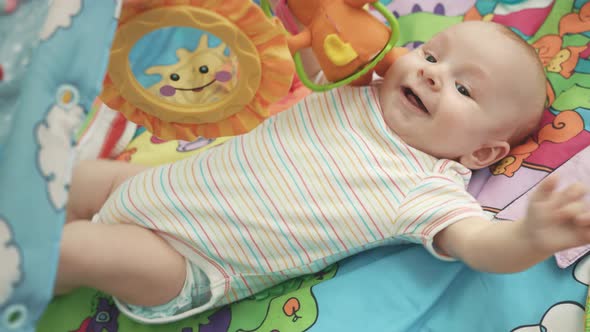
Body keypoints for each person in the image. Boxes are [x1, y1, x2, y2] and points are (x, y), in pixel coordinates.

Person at [54, 21, 590, 323]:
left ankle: (21, 271)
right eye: (432, 53)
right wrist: (333, 27)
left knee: (73, 246)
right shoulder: (361, 88)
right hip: (155, 188)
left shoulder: (426, 187)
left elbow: (480, 244)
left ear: (480, 154)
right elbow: (312, 54)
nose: (431, 73)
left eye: (464, 88)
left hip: (185, 259)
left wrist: (530, 236)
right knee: (68, 178)